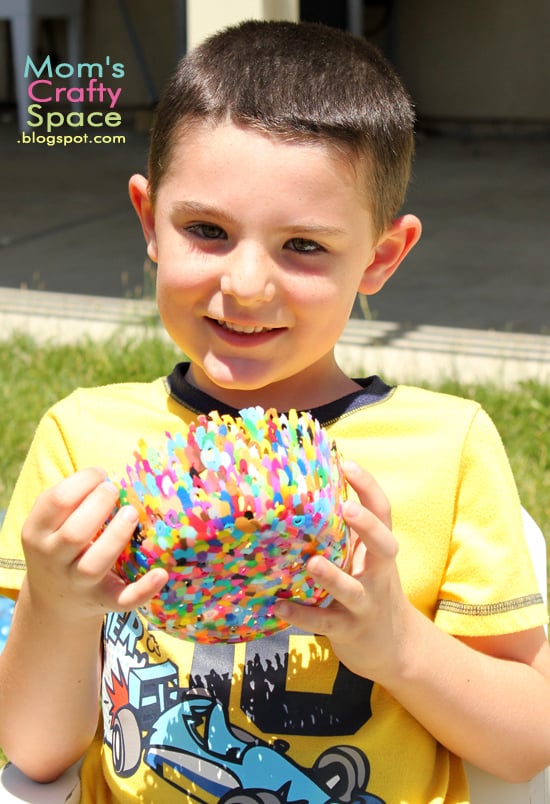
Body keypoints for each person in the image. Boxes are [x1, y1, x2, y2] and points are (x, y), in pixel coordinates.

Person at [0, 19, 549, 804]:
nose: (249, 283)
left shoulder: (445, 447)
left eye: (304, 246)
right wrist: (56, 605)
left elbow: (528, 744)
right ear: (149, 222)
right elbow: (33, 751)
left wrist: (399, 646)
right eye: (206, 231)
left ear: (381, 257)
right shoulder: (84, 440)